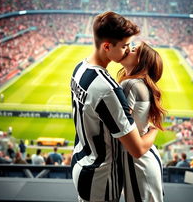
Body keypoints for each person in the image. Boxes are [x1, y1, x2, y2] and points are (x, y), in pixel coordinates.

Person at [71, 11, 158, 202]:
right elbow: (137, 149)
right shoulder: (108, 89)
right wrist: (154, 129)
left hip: (80, 162)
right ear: (107, 46)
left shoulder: (80, 67)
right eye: (125, 46)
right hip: (102, 176)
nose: (128, 50)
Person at [117, 41, 166, 202]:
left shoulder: (129, 84)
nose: (126, 50)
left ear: (141, 61)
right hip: (146, 158)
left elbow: (121, 131)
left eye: (132, 50)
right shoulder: (140, 84)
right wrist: (154, 130)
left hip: (138, 162)